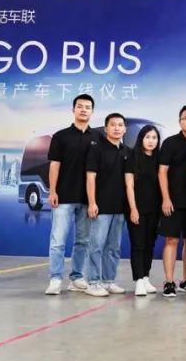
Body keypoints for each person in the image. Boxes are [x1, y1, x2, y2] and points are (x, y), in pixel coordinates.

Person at [44, 94, 99, 295]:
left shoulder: (98, 137)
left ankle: (76, 278)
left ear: (92, 111)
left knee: (83, 241)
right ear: (73, 109)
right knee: (58, 240)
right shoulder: (60, 136)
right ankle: (55, 279)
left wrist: (95, 200)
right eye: (80, 106)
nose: (84, 110)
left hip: (87, 199)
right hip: (64, 197)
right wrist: (53, 190)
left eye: (87, 107)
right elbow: (54, 166)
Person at [84, 113, 129, 297]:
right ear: (106, 129)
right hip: (100, 207)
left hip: (120, 208)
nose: (117, 128)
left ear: (125, 129)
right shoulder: (97, 149)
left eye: (120, 125)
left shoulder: (127, 151)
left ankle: (108, 281)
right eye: (113, 125)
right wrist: (92, 202)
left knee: (113, 247)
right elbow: (90, 177)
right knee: (96, 245)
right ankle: (93, 283)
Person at [158, 105, 186, 298]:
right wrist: (166, 198)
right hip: (173, 201)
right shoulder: (170, 143)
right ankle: (169, 281)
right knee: (172, 240)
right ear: (180, 121)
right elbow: (162, 172)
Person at [125, 125, 162, 297]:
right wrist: (133, 208)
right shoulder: (132, 157)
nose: (151, 141)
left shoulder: (159, 159)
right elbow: (129, 185)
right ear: (141, 138)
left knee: (149, 244)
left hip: (154, 209)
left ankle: (146, 277)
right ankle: (138, 280)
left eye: (154, 138)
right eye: (147, 137)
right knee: (138, 245)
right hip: (136, 209)